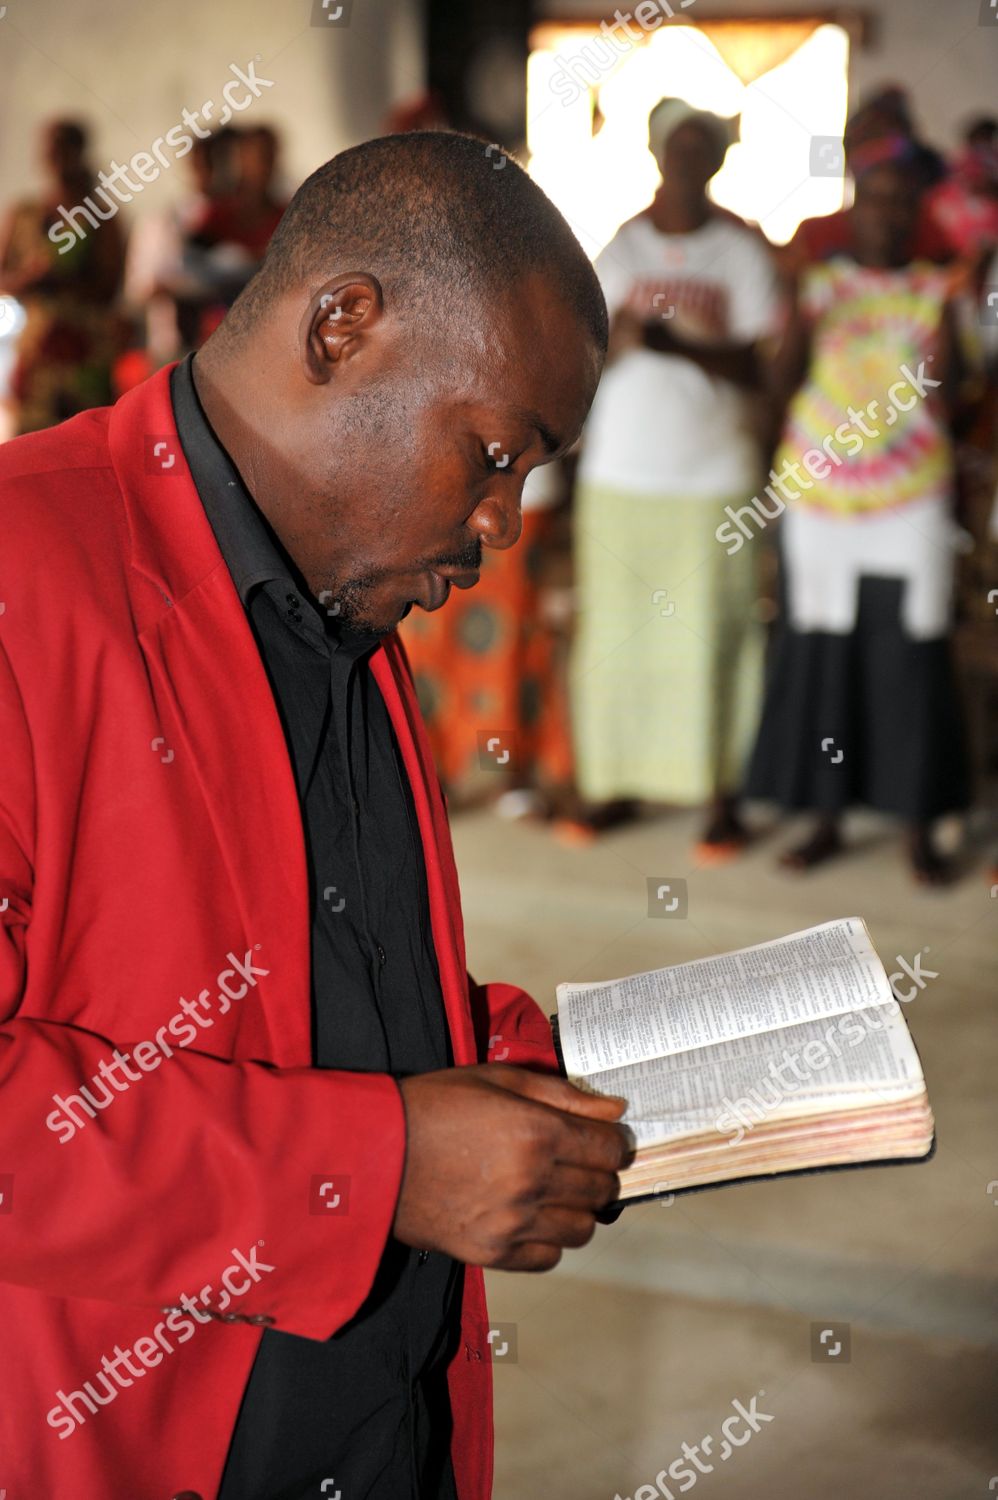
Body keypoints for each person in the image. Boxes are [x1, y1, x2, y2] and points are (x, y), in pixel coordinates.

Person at [0, 132, 629, 1498]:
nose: (504, 523)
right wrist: (378, 1172)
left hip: (386, 1417)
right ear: (341, 326)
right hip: (134, 1435)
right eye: (491, 453)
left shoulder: (335, 598)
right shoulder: (25, 576)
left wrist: (507, 1063)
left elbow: (287, 975)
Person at [744, 140, 970, 883]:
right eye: (874, 198)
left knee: (911, 655)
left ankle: (918, 826)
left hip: (913, 499)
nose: (886, 213)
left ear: (918, 213)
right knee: (826, 656)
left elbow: (960, 396)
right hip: (823, 497)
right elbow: (781, 383)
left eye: (902, 201)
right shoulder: (821, 286)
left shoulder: (942, 290)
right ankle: (827, 815)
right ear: (854, 206)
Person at [571, 98, 780, 855]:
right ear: (657, 155)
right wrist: (626, 340)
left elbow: (758, 364)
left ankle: (723, 795)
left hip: (712, 478)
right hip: (622, 473)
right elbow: (582, 355)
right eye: (677, 148)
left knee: (714, 636)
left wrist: (674, 343)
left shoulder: (742, 254)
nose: (688, 161)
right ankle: (614, 784)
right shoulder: (621, 251)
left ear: (720, 161)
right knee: (618, 638)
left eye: (704, 150)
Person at [399, 459, 577, 813]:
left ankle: (515, 770)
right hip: (430, 484)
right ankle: (432, 768)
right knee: (430, 633)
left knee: (513, 636)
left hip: (522, 494)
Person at [0, 118, 124, 433]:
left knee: (81, 439)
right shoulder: (25, 215)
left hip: (83, 351)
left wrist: (61, 282)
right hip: (36, 351)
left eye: (62, 148)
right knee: (30, 443)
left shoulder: (100, 217)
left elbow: (110, 288)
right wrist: (29, 279)